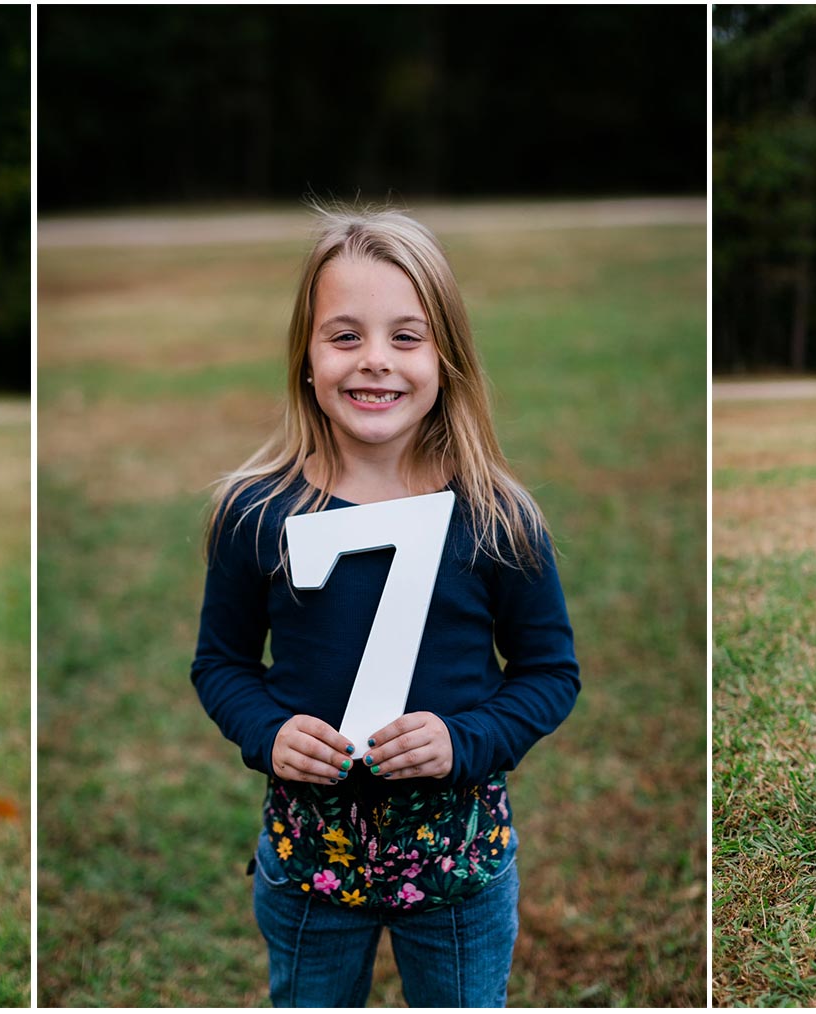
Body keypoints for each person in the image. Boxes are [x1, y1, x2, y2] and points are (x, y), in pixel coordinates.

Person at [190, 209, 580, 1006]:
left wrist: (464, 738)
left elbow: (549, 673)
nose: (375, 362)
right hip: (310, 860)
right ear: (304, 356)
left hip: (458, 863)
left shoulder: (498, 516)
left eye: (406, 337)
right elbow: (221, 663)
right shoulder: (256, 512)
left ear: (448, 359)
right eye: (344, 337)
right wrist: (267, 730)